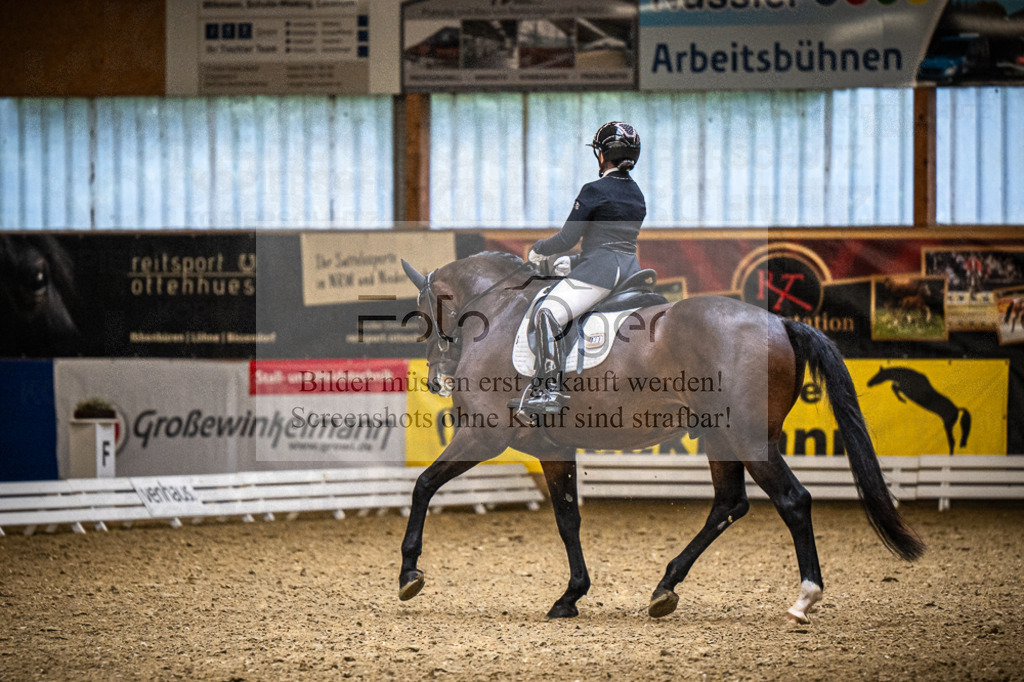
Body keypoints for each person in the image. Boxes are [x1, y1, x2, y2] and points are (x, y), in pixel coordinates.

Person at [520, 121, 647, 415]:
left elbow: (567, 238)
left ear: (602, 154)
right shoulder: (637, 194)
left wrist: (539, 249)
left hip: (601, 274)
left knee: (547, 312)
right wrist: (577, 261)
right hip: (630, 270)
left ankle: (548, 389)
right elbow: (614, 241)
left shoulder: (594, 190)